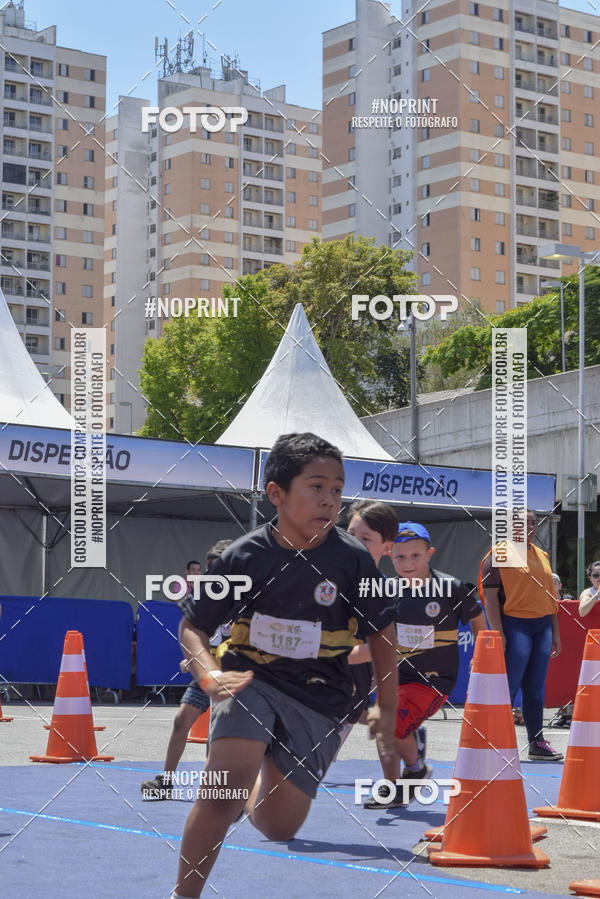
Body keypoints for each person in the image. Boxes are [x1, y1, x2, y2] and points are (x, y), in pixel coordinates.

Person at [172, 433, 398, 899]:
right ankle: (183, 895)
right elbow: (191, 627)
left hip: (319, 696)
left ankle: (259, 779)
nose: (329, 500)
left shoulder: (354, 561)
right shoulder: (243, 557)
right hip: (251, 679)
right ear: (276, 493)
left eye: (337, 489)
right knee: (221, 791)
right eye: (316, 487)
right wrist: (206, 671)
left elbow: (383, 636)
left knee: (278, 826)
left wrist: (389, 712)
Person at [354, 521, 487, 809]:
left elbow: (478, 620)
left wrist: (481, 653)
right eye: (400, 556)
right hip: (395, 676)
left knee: (389, 723)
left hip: (433, 680)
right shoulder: (384, 591)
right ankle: (391, 788)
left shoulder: (451, 588)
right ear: (389, 554)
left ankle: (416, 770)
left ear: (430, 554)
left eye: (415, 556)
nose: (408, 563)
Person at [141, 543, 232, 800]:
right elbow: (196, 634)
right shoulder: (203, 600)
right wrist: (193, 658)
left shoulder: (245, 599)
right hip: (207, 673)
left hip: (234, 677)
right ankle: (166, 782)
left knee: (220, 734)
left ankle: (217, 788)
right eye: (210, 569)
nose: (213, 574)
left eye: (220, 567)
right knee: (181, 720)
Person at [479, 510, 563, 761]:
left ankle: (536, 743)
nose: (528, 527)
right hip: (514, 625)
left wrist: (556, 633)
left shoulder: (542, 555)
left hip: (542, 627)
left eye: (532, 523)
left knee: (535, 689)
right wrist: (497, 631)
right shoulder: (498, 554)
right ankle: (493, 741)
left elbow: (551, 599)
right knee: (508, 686)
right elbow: (491, 598)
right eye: (521, 523)